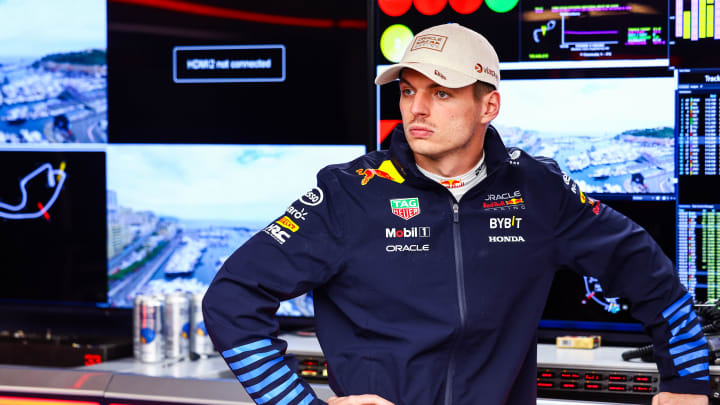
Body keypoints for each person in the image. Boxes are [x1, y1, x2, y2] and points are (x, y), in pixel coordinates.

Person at [203, 23, 710, 405]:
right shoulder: (349, 193)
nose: (416, 109)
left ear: (488, 106)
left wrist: (686, 380)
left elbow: (646, 273)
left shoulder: (540, 190)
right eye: (408, 90)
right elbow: (231, 299)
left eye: (440, 93)